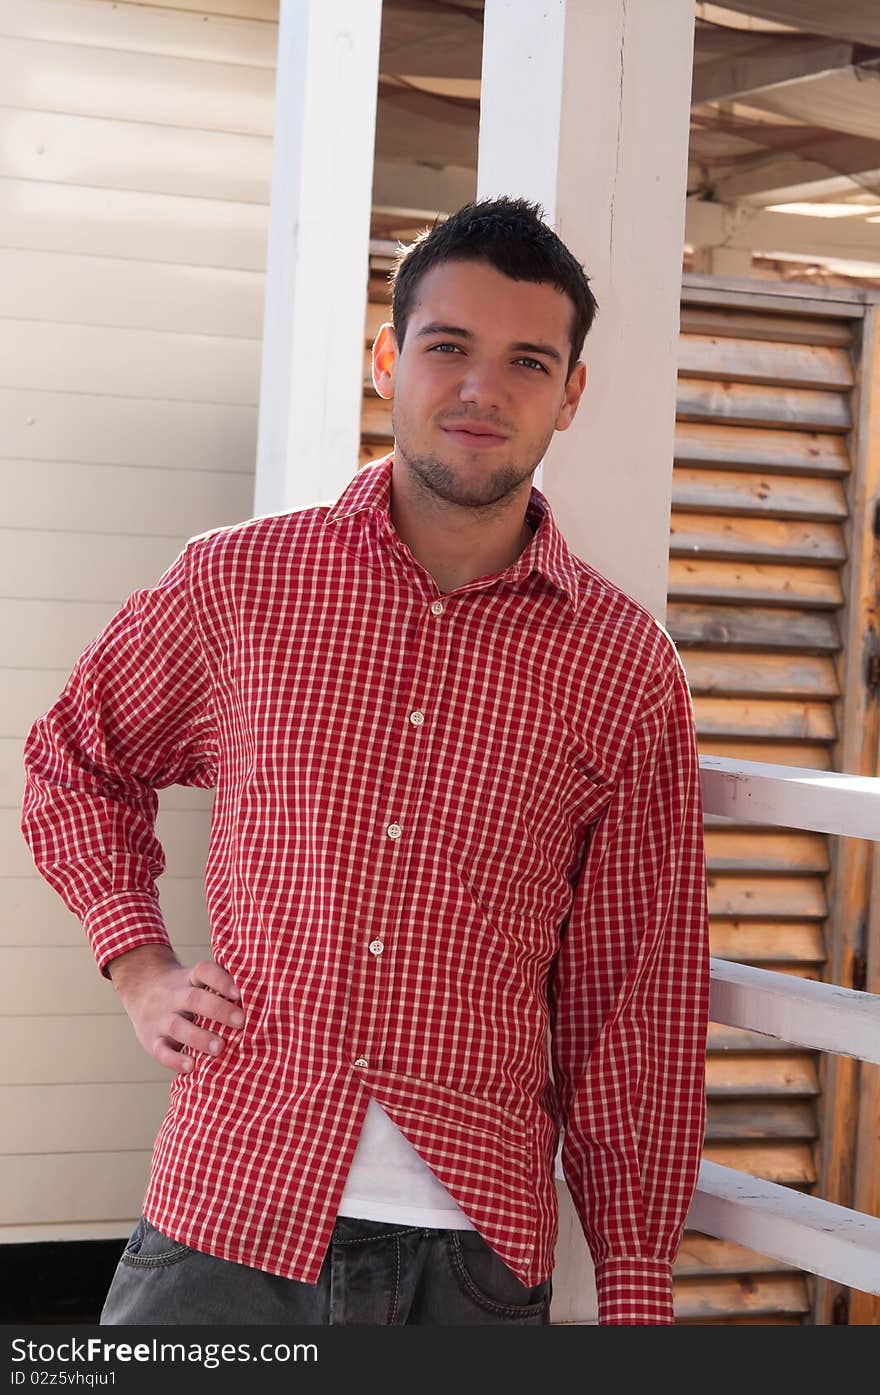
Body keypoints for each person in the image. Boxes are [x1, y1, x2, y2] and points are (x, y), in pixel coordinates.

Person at [20, 196, 709, 1326]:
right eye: (448, 347)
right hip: (226, 1210)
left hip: (470, 1261)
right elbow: (74, 760)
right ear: (388, 361)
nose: (482, 389)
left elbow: (634, 994)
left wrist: (633, 1290)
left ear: (570, 394)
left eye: (527, 360)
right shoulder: (241, 584)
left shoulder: (623, 669)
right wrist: (137, 965)